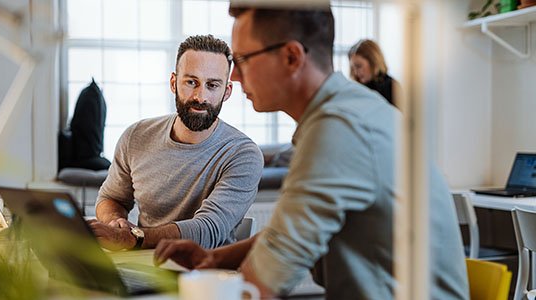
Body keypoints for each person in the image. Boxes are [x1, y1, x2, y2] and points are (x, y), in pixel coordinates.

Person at [154, 3, 468, 299]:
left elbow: (261, 284)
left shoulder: (339, 129)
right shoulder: (345, 110)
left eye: (244, 59)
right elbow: (284, 236)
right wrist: (214, 258)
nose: (234, 76)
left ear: (292, 57)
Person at [88, 35, 264, 251]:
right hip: (142, 265)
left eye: (212, 85)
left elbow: (207, 230)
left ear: (226, 92)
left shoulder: (243, 154)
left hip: (207, 273)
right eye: (191, 82)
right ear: (174, 83)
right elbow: (111, 198)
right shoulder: (136, 136)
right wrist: (115, 222)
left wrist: (133, 238)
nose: (200, 96)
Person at [348, 39, 402, 109]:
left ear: (373, 62)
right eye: (353, 68)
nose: (355, 72)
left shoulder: (392, 87)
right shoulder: (356, 88)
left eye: (359, 66)